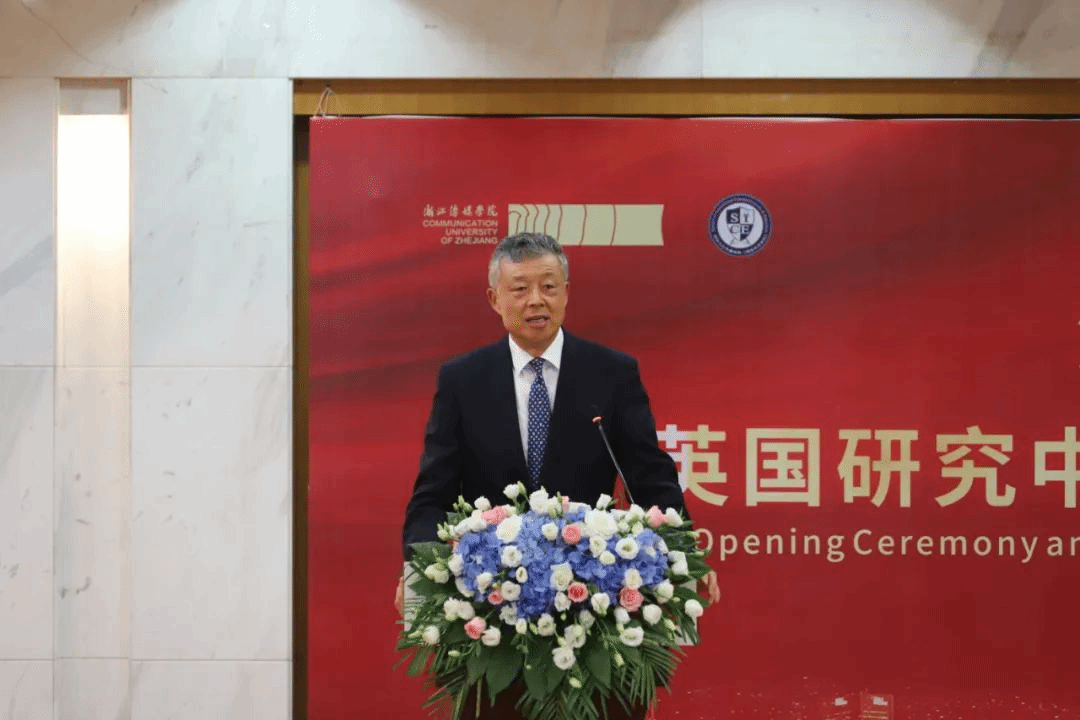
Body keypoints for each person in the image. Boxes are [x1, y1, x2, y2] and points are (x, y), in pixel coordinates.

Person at [396, 232, 718, 719]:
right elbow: (433, 494)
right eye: (520, 288)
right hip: (493, 613)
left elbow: (650, 478)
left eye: (548, 286)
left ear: (567, 292)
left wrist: (684, 553)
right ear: (494, 299)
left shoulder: (611, 373)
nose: (536, 300)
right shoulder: (463, 380)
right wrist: (417, 569)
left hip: (595, 604)